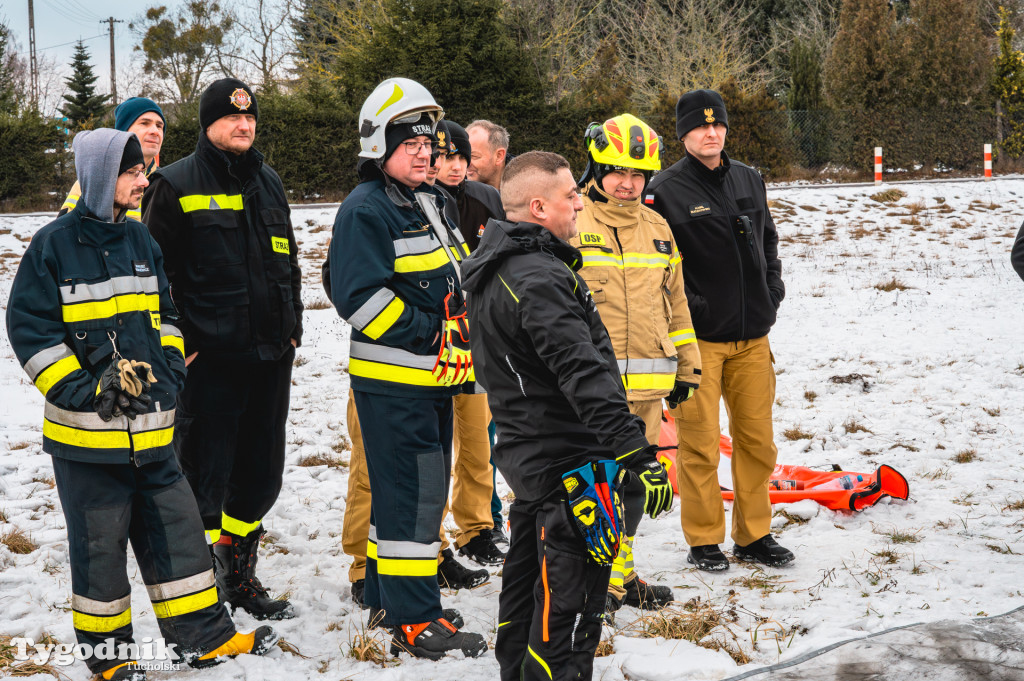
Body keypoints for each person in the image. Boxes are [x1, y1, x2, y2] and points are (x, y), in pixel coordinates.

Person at [6, 128, 277, 681]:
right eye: (132, 172)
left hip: (153, 434)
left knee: (179, 538)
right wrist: (82, 392)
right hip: (88, 442)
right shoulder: (51, 246)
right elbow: (30, 332)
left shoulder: (140, 240)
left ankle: (203, 639)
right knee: (100, 554)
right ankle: (110, 658)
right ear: (105, 177)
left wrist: (173, 372)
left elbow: (167, 316)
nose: (143, 180)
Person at [461, 151, 674, 681]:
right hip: (570, 470)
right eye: (569, 197)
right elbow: (584, 375)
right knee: (571, 616)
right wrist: (635, 452)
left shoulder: (505, 266)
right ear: (538, 208)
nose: (580, 203)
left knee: (526, 604)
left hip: (534, 461)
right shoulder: (536, 278)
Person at [328, 77, 487, 660]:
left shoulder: (429, 200)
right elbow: (358, 297)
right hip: (396, 381)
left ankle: (380, 591)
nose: (426, 153)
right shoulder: (366, 209)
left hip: (433, 380)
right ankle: (415, 618)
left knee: (406, 493)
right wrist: (434, 333)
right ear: (379, 145)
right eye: (411, 144)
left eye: (430, 144)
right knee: (414, 500)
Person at [142, 78, 303, 618]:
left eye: (251, 118)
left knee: (260, 473)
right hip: (209, 363)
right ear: (208, 124)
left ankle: (239, 572)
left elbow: (290, 263)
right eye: (233, 118)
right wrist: (178, 344)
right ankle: (197, 588)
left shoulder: (270, 181)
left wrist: (293, 326)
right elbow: (154, 279)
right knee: (203, 474)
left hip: (269, 357)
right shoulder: (174, 183)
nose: (245, 125)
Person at [646, 89, 793, 571]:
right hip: (700, 342)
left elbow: (768, 238)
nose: (711, 132)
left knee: (757, 442)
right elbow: (663, 267)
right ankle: (704, 539)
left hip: (753, 338)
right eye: (700, 126)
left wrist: (772, 289)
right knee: (700, 444)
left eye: (718, 124)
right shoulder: (665, 190)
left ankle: (754, 536)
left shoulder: (749, 179)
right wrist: (698, 311)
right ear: (683, 133)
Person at [570, 113, 702, 612]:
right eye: (617, 172)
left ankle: (622, 576)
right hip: (590, 394)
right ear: (595, 167)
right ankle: (592, 580)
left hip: (647, 390)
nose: (627, 184)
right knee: (591, 487)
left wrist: (688, 367)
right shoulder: (573, 220)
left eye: (638, 175)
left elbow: (678, 306)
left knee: (632, 488)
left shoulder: (659, 227)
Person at [435, 119, 508, 565]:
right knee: (435, 450)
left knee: (479, 444)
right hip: (430, 346)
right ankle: (433, 535)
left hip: (478, 341)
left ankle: (478, 528)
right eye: (445, 157)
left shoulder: (487, 200)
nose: (455, 166)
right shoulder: (411, 203)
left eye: (463, 157)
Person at [59, 97, 166, 221]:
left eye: (159, 126)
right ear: (123, 132)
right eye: (144, 123)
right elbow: (65, 231)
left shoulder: (167, 183)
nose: (155, 131)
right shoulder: (92, 182)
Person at [466, 119, 510, 190]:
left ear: (499, 156)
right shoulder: (454, 191)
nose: (466, 163)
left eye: (474, 156)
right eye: (464, 156)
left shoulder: (527, 190)